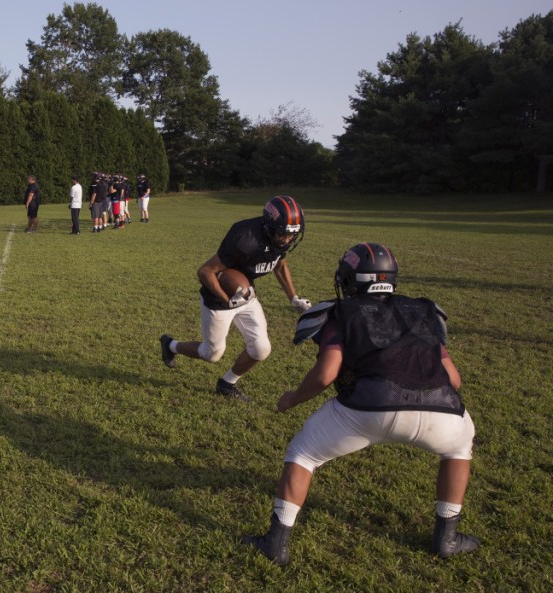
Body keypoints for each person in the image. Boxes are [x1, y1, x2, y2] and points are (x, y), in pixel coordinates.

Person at [242, 243, 478, 565]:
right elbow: (454, 380)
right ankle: (447, 539)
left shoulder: (341, 313)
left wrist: (292, 399)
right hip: (442, 409)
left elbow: (326, 374)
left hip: (369, 407)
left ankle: (276, 543)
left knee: (302, 455)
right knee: (459, 448)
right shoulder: (423, 310)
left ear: (351, 280)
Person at [160, 196, 313, 401]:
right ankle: (170, 345)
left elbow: (280, 264)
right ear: (268, 227)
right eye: (282, 234)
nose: (287, 240)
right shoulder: (245, 239)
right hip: (219, 297)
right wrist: (226, 299)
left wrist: (293, 297)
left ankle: (227, 383)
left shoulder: (280, 237)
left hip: (247, 295)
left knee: (261, 348)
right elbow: (205, 272)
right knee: (212, 354)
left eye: (291, 235)